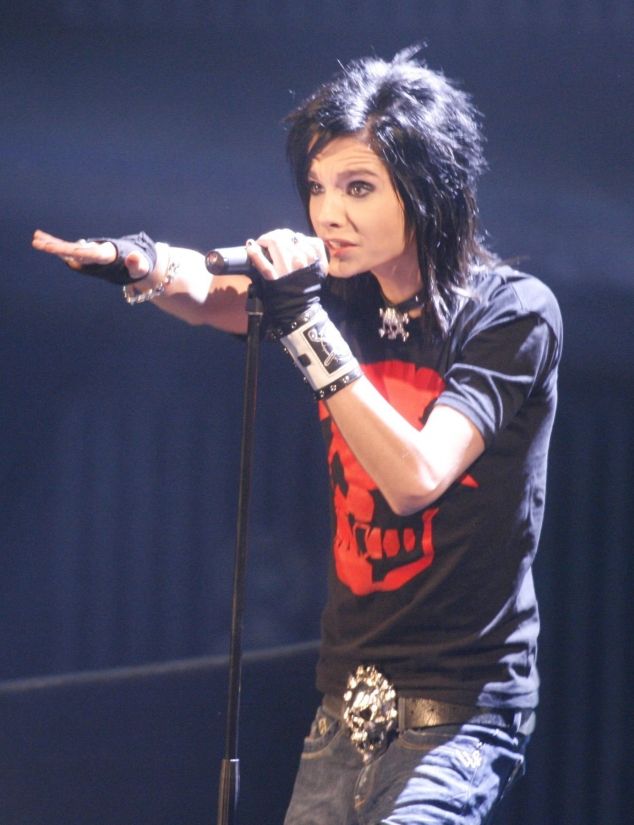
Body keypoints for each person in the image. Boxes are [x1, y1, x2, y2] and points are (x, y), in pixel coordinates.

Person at [32, 46, 562, 825]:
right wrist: (131, 261)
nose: (327, 214)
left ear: (428, 189)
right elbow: (214, 288)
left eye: (357, 188)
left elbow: (415, 476)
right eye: (317, 187)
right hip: (345, 703)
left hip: (461, 710)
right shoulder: (341, 293)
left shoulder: (511, 314)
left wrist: (304, 318)